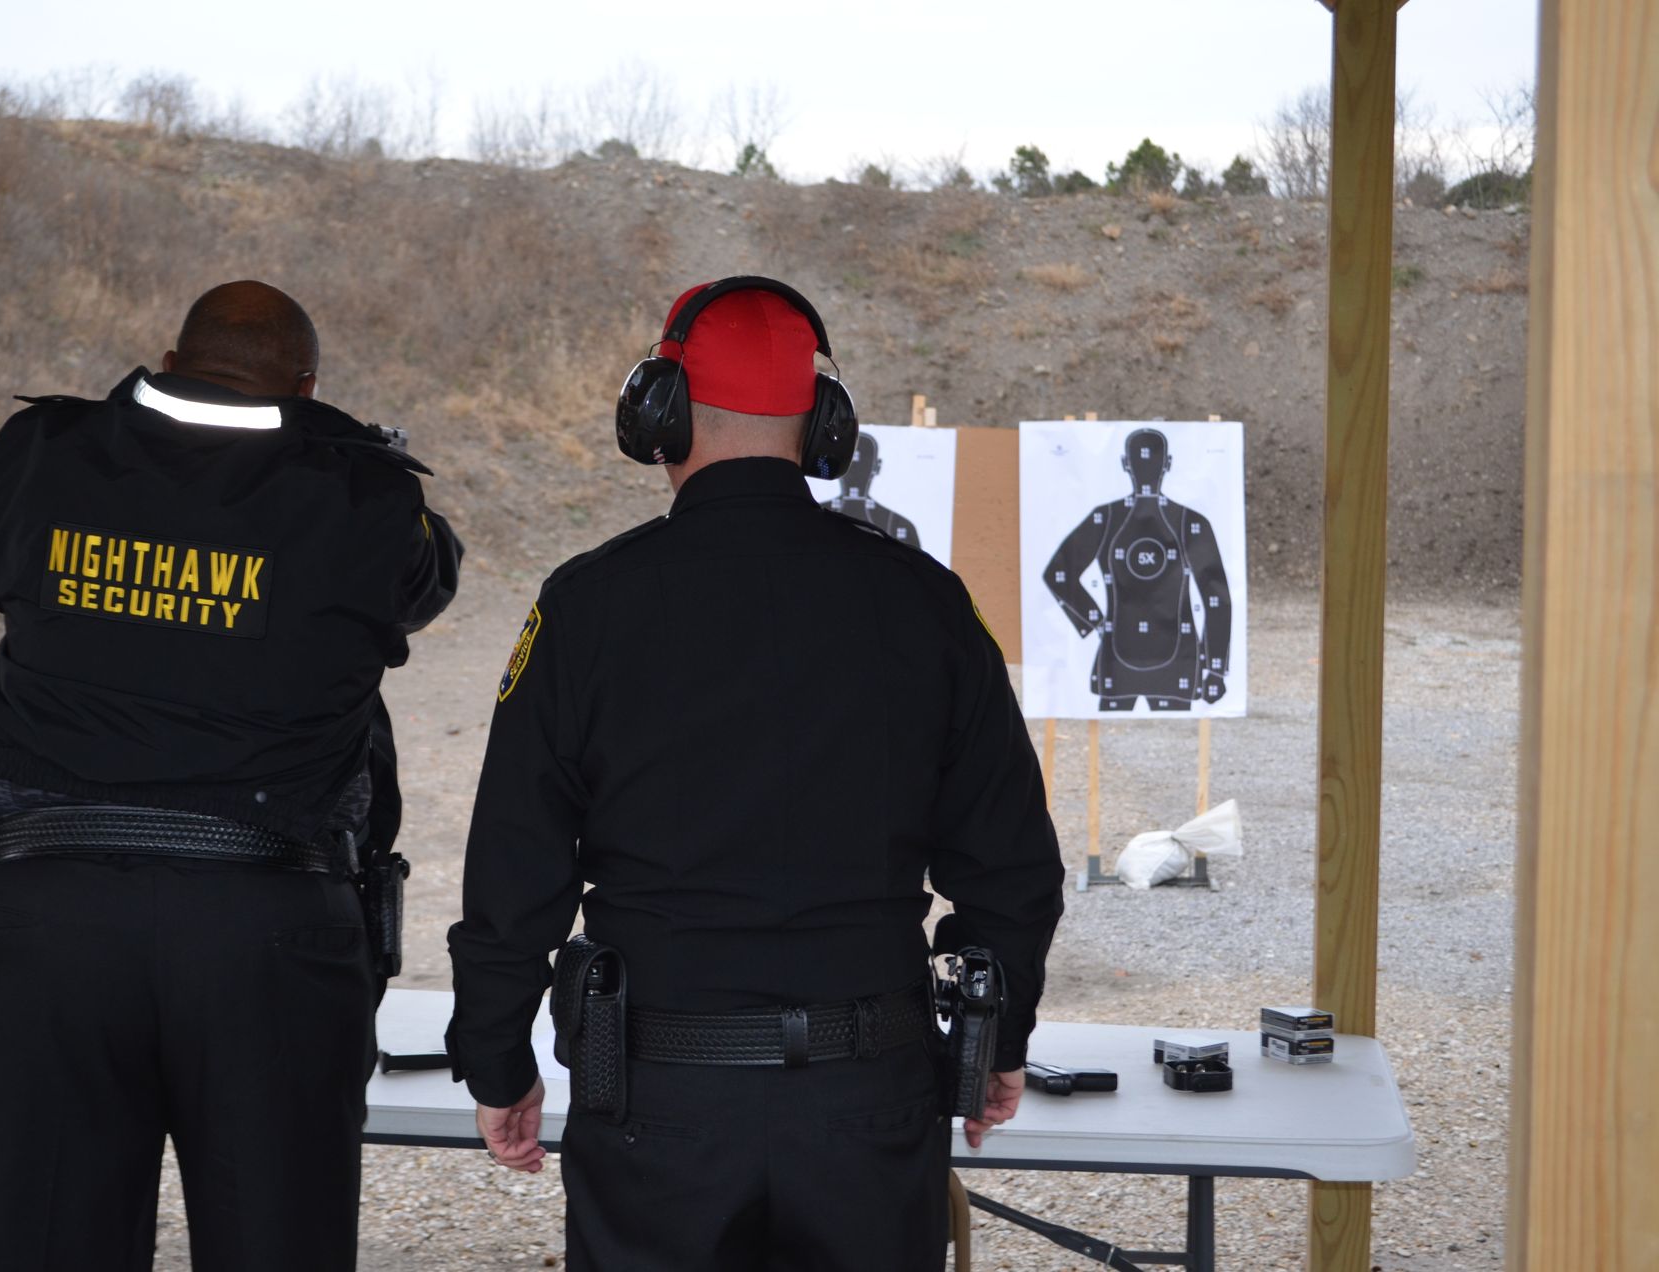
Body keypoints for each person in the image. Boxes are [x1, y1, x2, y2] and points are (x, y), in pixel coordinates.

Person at [445, 276, 1063, 1270]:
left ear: (660, 413)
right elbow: (1014, 865)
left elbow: (515, 864)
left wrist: (495, 1056)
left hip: (658, 1104)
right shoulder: (925, 604)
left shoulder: (588, 607)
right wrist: (1001, 1035)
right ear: (823, 426)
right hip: (869, 1102)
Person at [0, 280, 461, 1271]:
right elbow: (427, 579)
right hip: (264, 932)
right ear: (304, 390)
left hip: (49, 923)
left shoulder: (40, 453)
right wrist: (328, 444)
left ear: (171, 361)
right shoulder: (364, 497)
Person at [1042, 427, 1232, 711]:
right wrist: (1214, 668)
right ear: (1167, 463)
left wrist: (1095, 621)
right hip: (1172, 661)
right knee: (1174, 745)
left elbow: (1059, 574)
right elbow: (1216, 599)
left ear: (1124, 463)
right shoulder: (1189, 521)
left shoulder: (1107, 518)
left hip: (1121, 657)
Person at [821, 429, 922, 548]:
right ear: (877, 466)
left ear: (877, 466)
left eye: (862, 462)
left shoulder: (899, 525)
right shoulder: (898, 523)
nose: (855, 470)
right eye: (851, 462)